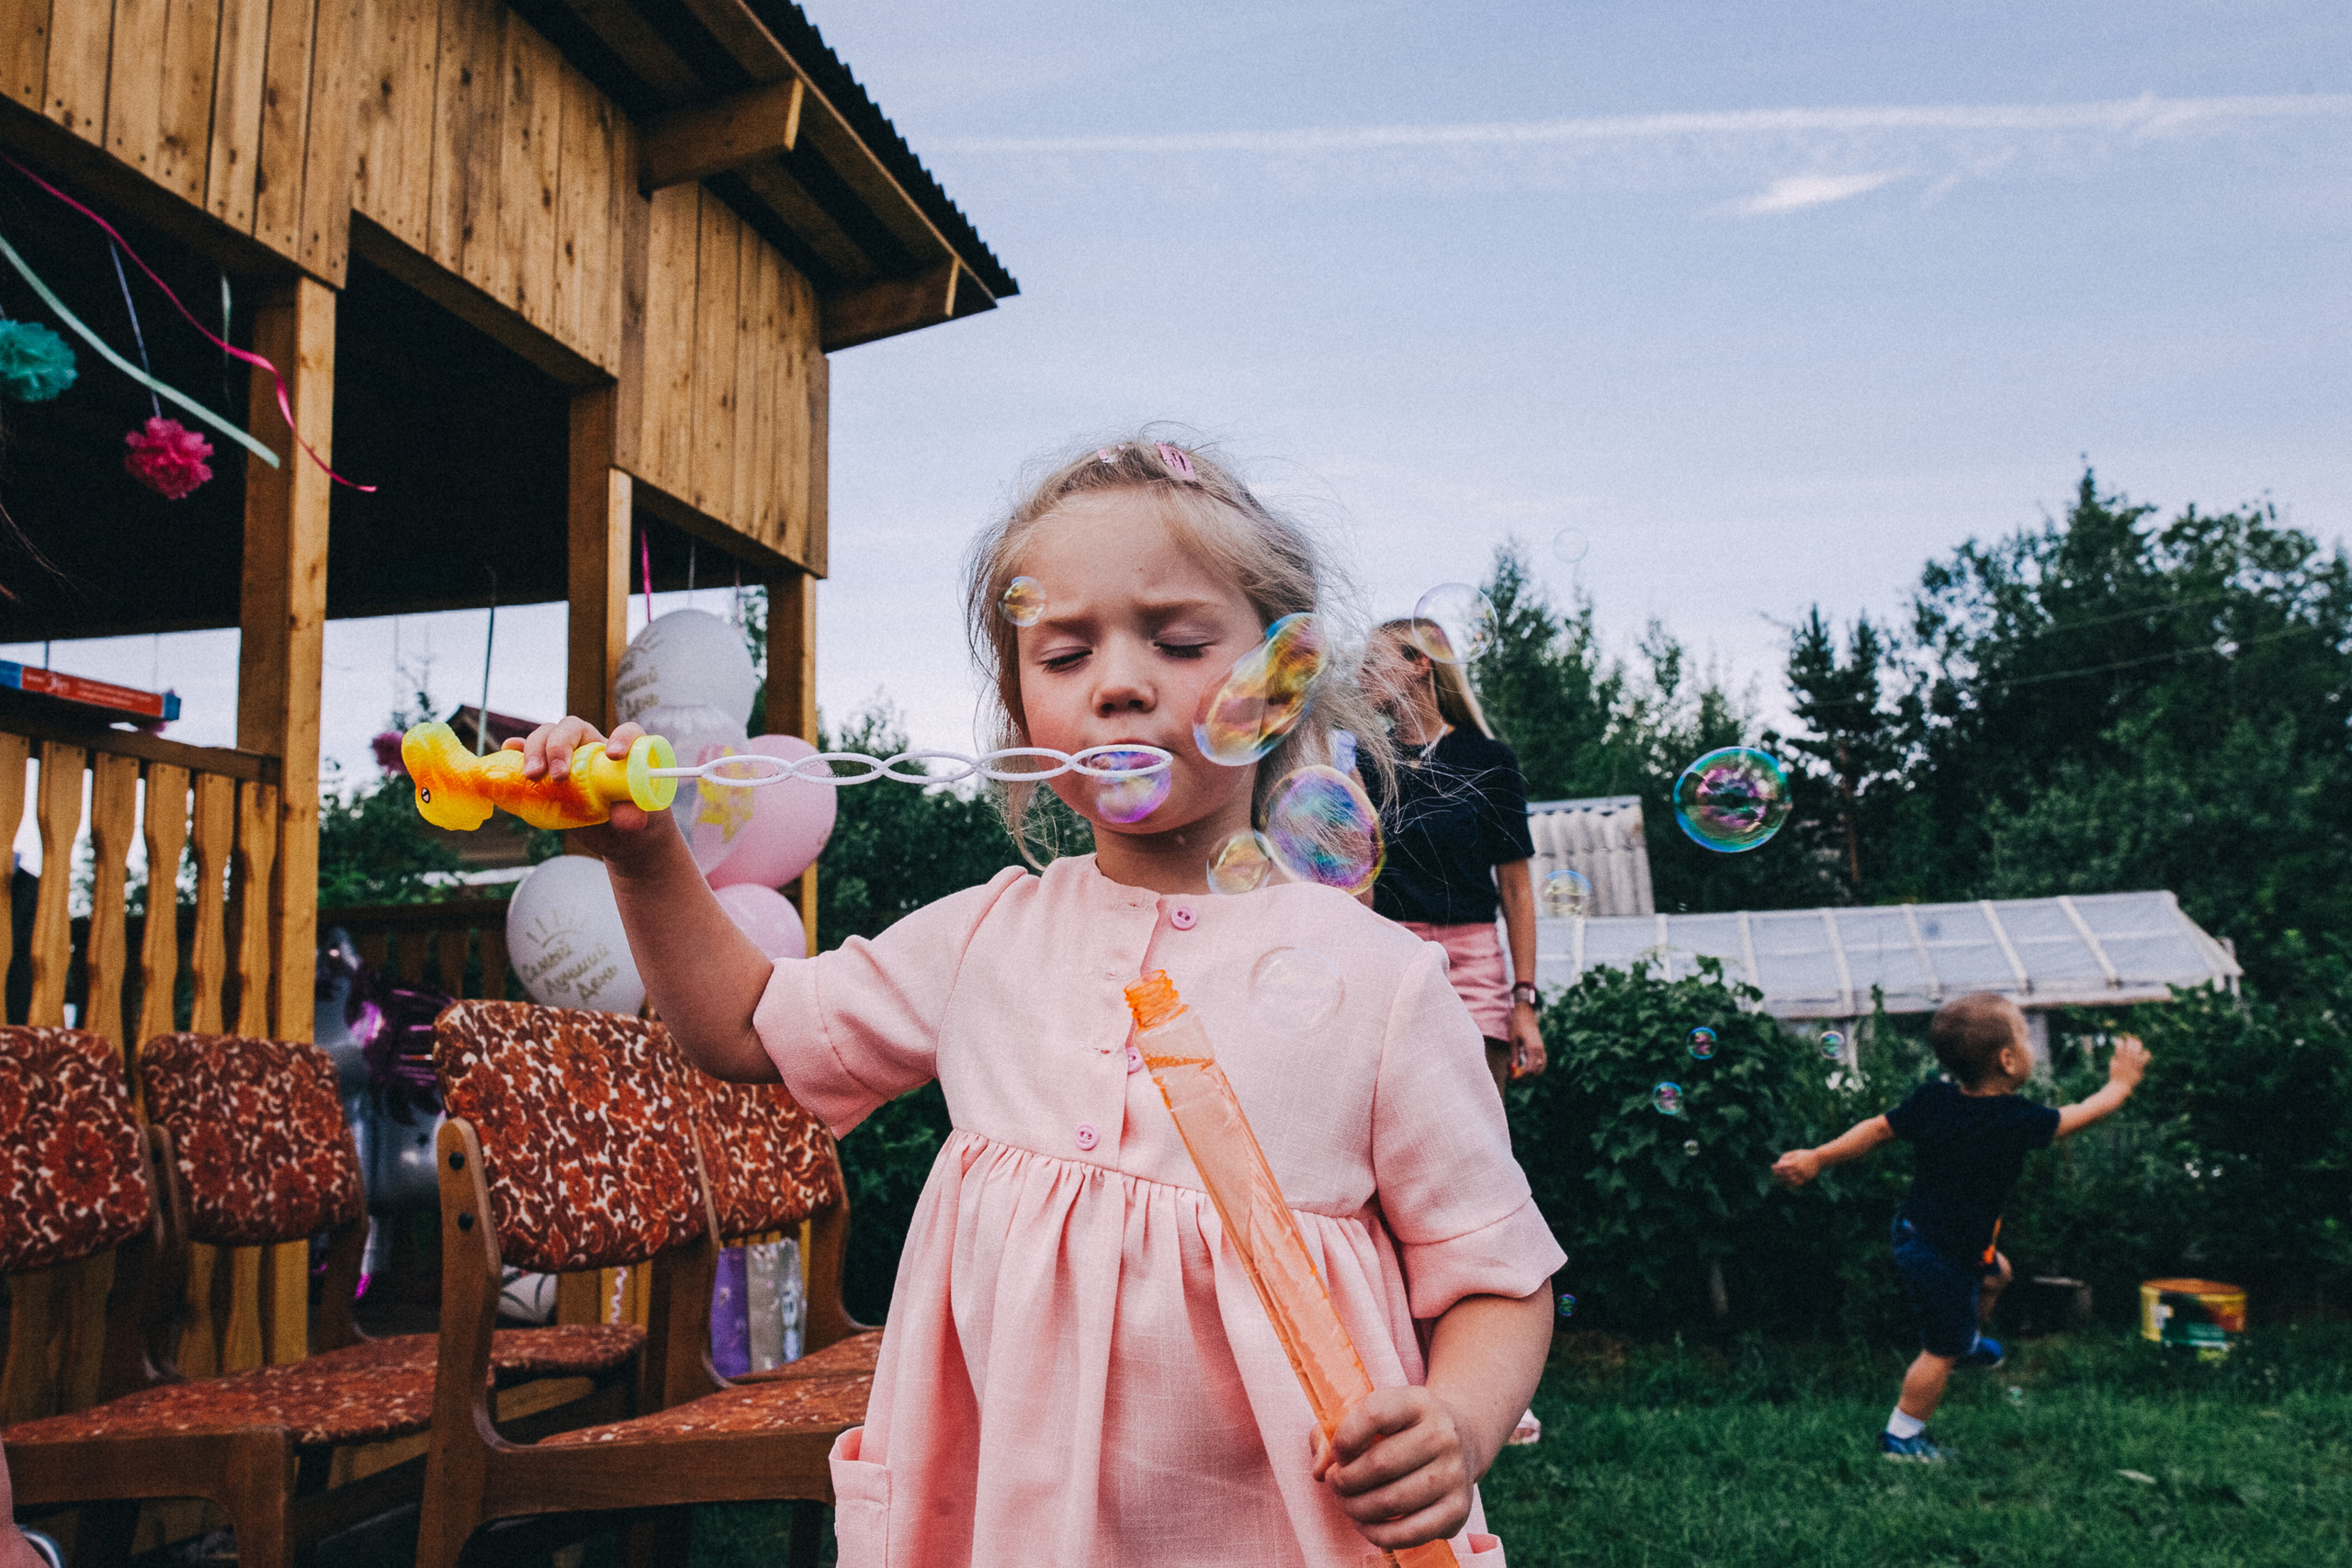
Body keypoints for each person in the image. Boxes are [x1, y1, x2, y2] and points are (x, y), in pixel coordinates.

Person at [514, 437, 1561, 1566]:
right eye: (1063, 654)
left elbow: (1498, 1279)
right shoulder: (984, 938)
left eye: (1175, 640)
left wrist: (1457, 1422)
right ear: (1022, 716)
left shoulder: (1380, 981)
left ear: (1282, 677)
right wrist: (641, 853)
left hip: (1281, 1532)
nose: (1117, 680)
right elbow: (740, 1023)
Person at [1771, 993, 2150, 1461]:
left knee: (1997, 1274)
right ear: (2008, 1060)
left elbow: (1877, 1129)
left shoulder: (1935, 1100)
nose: (2031, 1049)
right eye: (2026, 1041)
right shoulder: (2015, 1120)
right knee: (1938, 1351)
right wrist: (2121, 1083)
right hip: (1943, 1252)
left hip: (1920, 1233)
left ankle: (1967, 1341)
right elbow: (2087, 1113)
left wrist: (1817, 1157)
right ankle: (1903, 1436)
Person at [1360, 621, 1547, 1094]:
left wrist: (1523, 1001)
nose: (1360, 675)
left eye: (1372, 661)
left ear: (1419, 664)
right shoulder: (1362, 762)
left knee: (1481, 1137)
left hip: (1474, 961)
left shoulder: (1488, 760)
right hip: (1389, 956)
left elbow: (1517, 889)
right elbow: (1353, 882)